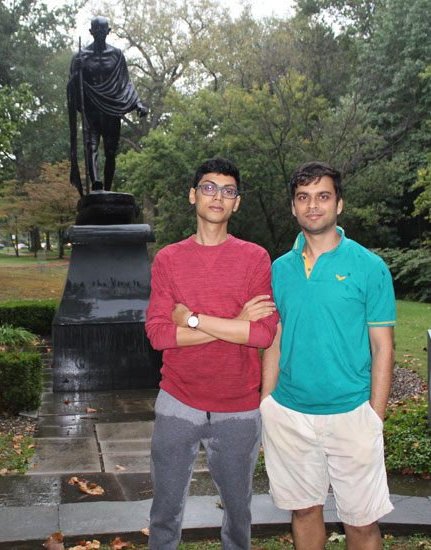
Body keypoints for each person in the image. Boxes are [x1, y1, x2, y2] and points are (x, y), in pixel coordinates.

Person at [260, 161, 396, 550]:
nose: (312, 206)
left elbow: (382, 346)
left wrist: (375, 415)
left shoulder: (370, 267)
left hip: (352, 414)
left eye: (323, 196)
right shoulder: (279, 269)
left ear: (339, 204)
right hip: (289, 413)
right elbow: (275, 336)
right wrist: (266, 402)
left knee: (361, 523)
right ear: (293, 207)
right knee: (303, 512)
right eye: (303, 198)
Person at [145, 157, 279, 550]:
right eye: (208, 187)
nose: (217, 196)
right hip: (177, 403)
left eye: (227, 190)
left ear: (236, 202)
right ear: (193, 195)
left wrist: (191, 320)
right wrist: (233, 322)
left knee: (239, 515)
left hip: (238, 407)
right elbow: (157, 335)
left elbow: (262, 334)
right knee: (164, 512)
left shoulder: (255, 258)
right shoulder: (169, 259)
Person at [67, 16, 147, 193]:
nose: (100, 35)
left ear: (108, 32)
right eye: (97, 31)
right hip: (91, 109)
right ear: (91, 32)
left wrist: (138, 104)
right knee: (91, 145)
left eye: (103, 31)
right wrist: (75, 73)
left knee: (111, 152)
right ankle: (96, 183)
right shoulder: (81, 56)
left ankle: (108, 189)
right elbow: (72, 86)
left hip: (111, 109)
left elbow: (126, 82)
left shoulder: (116, 55)